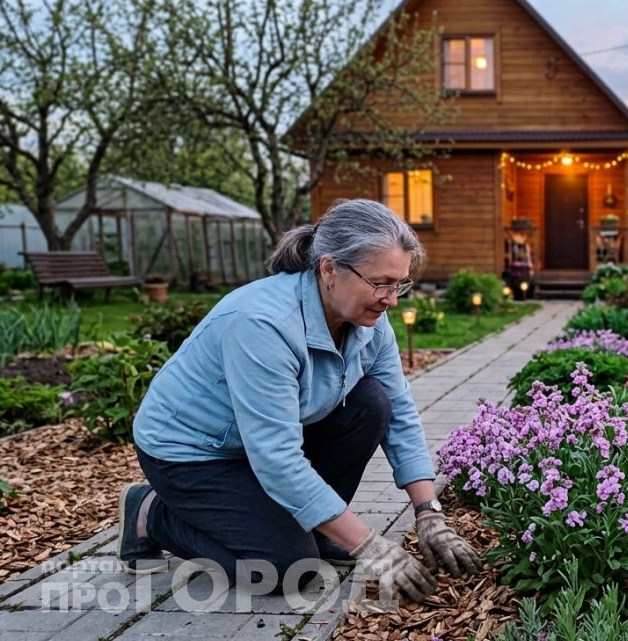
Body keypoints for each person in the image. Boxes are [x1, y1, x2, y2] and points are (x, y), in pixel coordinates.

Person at [118, 199, 481, 603]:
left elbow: (400, 416)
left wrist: (429, 512)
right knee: (285, 569)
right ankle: (151, 513)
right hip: (193, 453)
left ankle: (318, 530)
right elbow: (277, 459)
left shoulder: (368, 323)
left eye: (399, 284)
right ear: (329, 269)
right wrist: (368, 544)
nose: (391, 299)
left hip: (261, 443)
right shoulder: (263, 325)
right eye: (381, 283)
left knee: (372, 403)